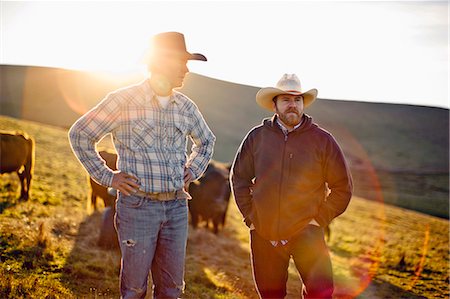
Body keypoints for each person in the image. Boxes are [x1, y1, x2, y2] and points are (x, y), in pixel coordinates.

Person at [68, 32, 215, 299]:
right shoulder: (122, 100)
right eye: (181, 62)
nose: (186, 69)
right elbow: (80, 134)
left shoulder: (185, 107)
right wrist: (107, 176)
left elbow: (206, 141)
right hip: (138, 207)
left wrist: (193, 170)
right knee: (134, 290)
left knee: (172, 290)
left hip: (177, 208)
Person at [230, 74, 353, 299]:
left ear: (303, 104)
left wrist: (318, 221)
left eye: (297, 100)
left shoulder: (323, 141)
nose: (293, 105)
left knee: (321, 294)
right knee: (271, 295)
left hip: (307, 233)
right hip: (265, 234)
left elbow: (342, 187)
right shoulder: (257, 137)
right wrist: (252, 218)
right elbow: (239, 178)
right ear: (274, 104)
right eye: (286, 100)